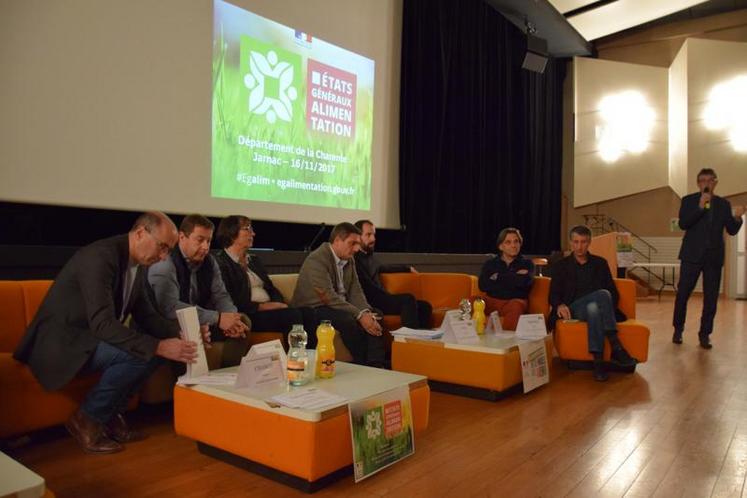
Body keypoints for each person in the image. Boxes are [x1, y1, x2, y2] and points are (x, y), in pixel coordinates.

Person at [13, 212, 200, 454]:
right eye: (162, 247)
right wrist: (158, 345)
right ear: (141, 233)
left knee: (159, 349)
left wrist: (184, 333)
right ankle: (87, 418)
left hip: (90, 339)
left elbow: (148, 316)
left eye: (168, 251)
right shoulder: (101, 257)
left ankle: (109, 414)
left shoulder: (139, 263)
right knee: (146, 351)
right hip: (62, 345)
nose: (164, 256)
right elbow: (102, 324)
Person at [148, 214, 250, 368]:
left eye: (208, 241)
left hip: (200, 318)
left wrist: (232, 319)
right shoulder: (165, 263)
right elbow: (169, 307)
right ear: (182, 237)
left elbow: (221, 296)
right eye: (200, 240)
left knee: (243, 322)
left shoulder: (210, 261)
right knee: (190, 330)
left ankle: (228, 378)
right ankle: (184, 386)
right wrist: (217, 318)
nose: (205, 247)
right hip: (169, 323)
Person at [291, 222, 386, 367]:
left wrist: (365, 311)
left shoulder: (349, 258)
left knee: (375, 314)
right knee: (347, 319)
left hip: (337, 305)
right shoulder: (317, 260)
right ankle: (361, 364)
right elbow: (328, 297)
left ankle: (376, 363)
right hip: (315, 307)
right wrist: (359, 315)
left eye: (358, 243)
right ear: (337, 241)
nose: (356, 248)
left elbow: (356, 290)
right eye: (352, 243)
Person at [549, 225, 637, 382]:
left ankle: (598, 363)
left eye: (583, 242)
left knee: (594, 308)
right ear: (571, 243)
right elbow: (553, 294)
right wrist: (559, 306)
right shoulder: (560, 266)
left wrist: (606, 307)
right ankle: (616, 345)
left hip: (593, 309)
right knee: (601, 296)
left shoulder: (600, 263)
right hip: (573, 309)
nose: (579, 246)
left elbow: (613, 293)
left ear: (589, 243)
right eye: (576, 242)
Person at [214, 215, 318, 346]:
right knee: (292, 316)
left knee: (308, 312)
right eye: (247, 229)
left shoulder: (253, 260)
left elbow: (270, 288)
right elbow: (234, 301)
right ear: (231, 233)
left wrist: (279, 303)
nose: (253, 233)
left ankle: (312, 358)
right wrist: (265, 306)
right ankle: (294, 360)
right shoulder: (222, 263)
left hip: (269, 310)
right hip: (250, 314)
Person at [672, 168, 745, 349]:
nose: (706, 183)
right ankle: (678, 329)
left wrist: (737, 218)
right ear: (698, 183)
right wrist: (700, 206)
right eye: (703, 180)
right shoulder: (688, 200)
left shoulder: (723, 204)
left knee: (711, 298)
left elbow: (732, 230)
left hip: (713, 257)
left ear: (715, 183)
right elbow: (683, 224)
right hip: (691, 255)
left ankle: (705, 334)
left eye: (710, 180)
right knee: (683, 294)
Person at [353, 220, 432, 329]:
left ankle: (422, 342)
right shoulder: (354, 259)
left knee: (425, 306)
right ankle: (406, 341)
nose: (373, 239)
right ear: (357, 237)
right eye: (368, 235)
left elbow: (383, 267)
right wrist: (387, 296)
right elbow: (367, 287)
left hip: (382, 297)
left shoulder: (369, 256)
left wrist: (407, 268)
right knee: (408, 299)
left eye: (374, 235)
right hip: (371, 300)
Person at [477, 227, 534, 331]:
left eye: (516, 241)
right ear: (501, 246)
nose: (513, 245)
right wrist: (514, 277)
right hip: (491, 301)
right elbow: (482, 285)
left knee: (516, 306)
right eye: (508, 242)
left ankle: (506, 342)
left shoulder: (527, 264)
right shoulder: (490, 264)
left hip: (513, 302)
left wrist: (497, 277)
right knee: (470, 302)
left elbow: (524, 284)